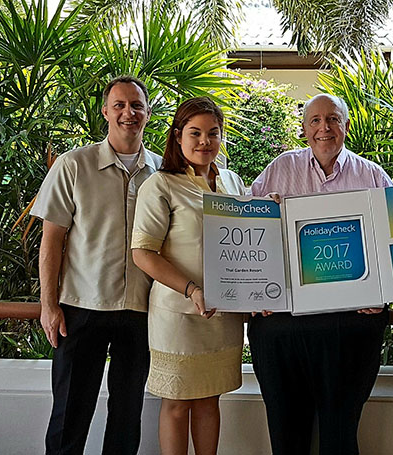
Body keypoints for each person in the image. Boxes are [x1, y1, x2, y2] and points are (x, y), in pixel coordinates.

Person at [249, 93, 393, 455]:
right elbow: (250, 231)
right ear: (303, 129)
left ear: (345, 125)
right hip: (285, 325)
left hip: (351, 325)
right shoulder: (280, 169)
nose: (324, 128)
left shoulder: (372, 175)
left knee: (340, 434)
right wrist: (255, 292)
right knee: (286, 433)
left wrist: (385, 292)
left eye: (332, 119)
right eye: (315, 120)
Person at [32, 75, 162, 454]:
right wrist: (48, 304)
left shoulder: (162, 171)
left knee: (127, 417)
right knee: (70, 414)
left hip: (141, 310)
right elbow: (51, 239)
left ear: (148, 113)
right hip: (81, 308)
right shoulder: (74, 165)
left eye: (136, 105)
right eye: (119, 105)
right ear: (105, 111)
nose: (128, 113)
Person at [131, 97, 245, 455]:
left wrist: (267, 208)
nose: (204, 141)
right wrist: (192, 289)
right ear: (178, 136)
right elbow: (143, 253)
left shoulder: (232, 181)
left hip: (223, 314)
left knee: (211, 399)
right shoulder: (160, 184)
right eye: (195, 132)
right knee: (178, 403)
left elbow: (250, 239)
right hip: (179, 315)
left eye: (213, 133)